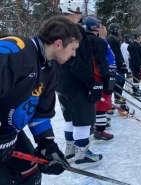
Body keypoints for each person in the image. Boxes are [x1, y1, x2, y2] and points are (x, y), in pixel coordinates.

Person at [0, 15, 81, 185]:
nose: (74, 54)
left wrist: (47, 145)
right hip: (4, 132)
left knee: (30, 174)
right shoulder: (16, 48)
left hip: (10, 135)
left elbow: (40, 115)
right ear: (58, 44)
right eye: (73, 48)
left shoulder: (51, 71)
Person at [57, 0, 103, 167]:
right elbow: (78, 61)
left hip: (60, 84)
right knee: (83, 119)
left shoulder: (56, 27)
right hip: (76, 82)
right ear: (75, 10)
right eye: (80, 10)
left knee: (70, 118)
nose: (81, 14)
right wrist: (92, 82)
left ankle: (70, 150)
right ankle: (82, 153)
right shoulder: (74, 30)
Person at [83, 17, 114, 140]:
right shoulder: (98, 41)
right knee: (101, 102)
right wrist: (107, 77)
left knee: (90, 101)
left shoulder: (80, 40)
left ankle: (92, 125)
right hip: (97, 75)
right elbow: (101, 62)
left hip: (84, 76)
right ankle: (99, 130)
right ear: (95, 27)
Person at [106, 23, 128, 104]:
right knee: (119, 81)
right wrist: (121, 65)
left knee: (121, 81)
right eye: (118, 29)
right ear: (115, 30)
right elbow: (115, 54)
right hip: (116, 66)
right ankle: (117, 98)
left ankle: (118, 97)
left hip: (117, 65)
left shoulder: (113, 39)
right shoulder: (112, 40)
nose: (119, 31)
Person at [99, 24, 116, 122]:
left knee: (108, 91)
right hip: (106, 70)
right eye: (104, 29)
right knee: (105, 92)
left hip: (111, 69)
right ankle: (100, 119)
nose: (106, 31)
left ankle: (103, 114)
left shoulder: (104, 40)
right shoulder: (100, 41)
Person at [127, 31, 141, 98]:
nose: (140, 38)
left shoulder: (131, 44)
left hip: (132, 63)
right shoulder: (136, 45)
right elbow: (137, 56)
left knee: (136, 77)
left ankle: (136, 90)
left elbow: (128, 49)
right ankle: (135, 91)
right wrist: (140, 64)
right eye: (139, 37)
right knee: (136, 77)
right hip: (135, 64)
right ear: (137, 37)